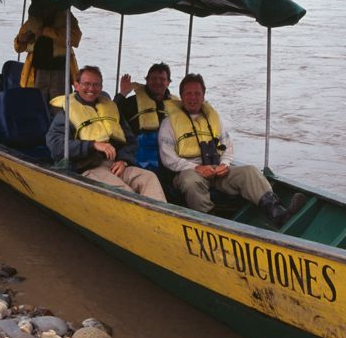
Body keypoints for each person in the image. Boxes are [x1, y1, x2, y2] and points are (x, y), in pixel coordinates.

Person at [158, 73, 306, 226]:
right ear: (181, 96)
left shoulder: (213, 118)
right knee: (190, 182)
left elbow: (227, 147)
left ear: (203, 96)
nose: (193, 98)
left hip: (216, 170)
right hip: (188, 171)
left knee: (250, 171)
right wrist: (196, 167)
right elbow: (168, 158)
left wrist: (225, 164)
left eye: (197, 94)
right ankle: (211, 221)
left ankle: (278, 213)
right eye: (188, 93)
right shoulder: (168, 124)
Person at [46, 65, 166, 202]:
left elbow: (130, 140)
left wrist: (124, 161)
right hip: (86, 168)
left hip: (114, 165)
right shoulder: (67, 111)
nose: (91, 89)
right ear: (77, 85)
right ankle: (138, 219)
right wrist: (93, 145)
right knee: (125, 192)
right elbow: (55, 145)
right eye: (87, 84)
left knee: (149, 177)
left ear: (101, 87)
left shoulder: (110, 108)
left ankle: (162, 220)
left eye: (96, 85)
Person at [14, 0, 81, 104]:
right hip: (37, 71)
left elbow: (75, 39)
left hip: (60, 71)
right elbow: (18, 48)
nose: (46, 10)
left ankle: (58, 121)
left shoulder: (66, 19)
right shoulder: (32, 22)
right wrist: (21, 40)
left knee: (59, 105)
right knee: (36, 104)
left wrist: (46, 31)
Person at [113, 62, 179, 169]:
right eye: (154, 79)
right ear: (147, 81)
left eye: (162, 79)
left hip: (169, 155)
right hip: (137, 157)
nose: (158, 82)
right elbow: (112, 114)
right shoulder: (132, 102)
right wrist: (122, 93)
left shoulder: (177, 105)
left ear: (168, 82)